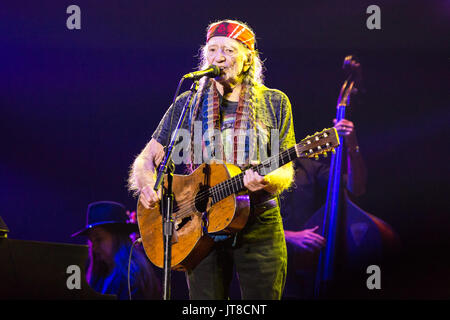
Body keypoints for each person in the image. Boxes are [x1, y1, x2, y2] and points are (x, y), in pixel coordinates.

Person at [128, 19, 296, 299]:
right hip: (200, 226)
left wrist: (267, 179)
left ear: (247, 60)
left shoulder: (275, 102)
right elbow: (146, 159)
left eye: (229, 51)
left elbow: (286, 169)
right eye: (212, 50)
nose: (218, 57)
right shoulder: (187, 103)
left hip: (258, 222)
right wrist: (148, 185)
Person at [282, 118, 368, 299]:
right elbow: (241, 225)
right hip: (264, 264)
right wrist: (290, 236)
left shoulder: (307, 165)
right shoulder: (249, 172)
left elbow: (356, 187)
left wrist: (352, 145)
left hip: (304, 264)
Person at [71, 201, 161, 300]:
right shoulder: (100, 274)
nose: (94, 248)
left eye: (99, 239)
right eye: (91, 241)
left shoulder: (132, 277)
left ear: (118, 238)